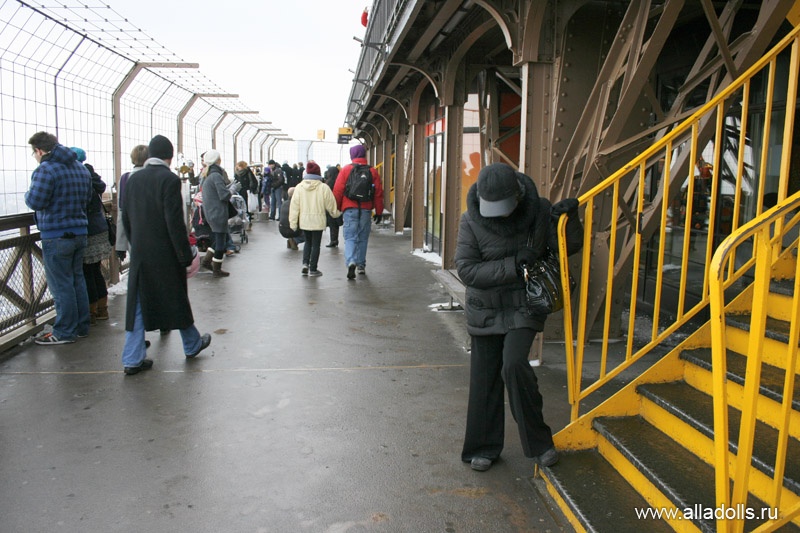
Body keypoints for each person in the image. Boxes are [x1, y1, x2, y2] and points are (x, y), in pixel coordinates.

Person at [454, 162, 583, 472]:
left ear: (517, 195)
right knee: (484, 378)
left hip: (525, 304)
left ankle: (540, 443)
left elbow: (568, 247)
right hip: (485, 308)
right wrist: (513, 265)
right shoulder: (470, 220)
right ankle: (483, 447)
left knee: (514, 365)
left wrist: (570, 218)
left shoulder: (538, 210)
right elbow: (467, 269)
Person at [120, 134, 211, 375]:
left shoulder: (132, 180)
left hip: (140, 253)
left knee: (137, 306)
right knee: (177, 299)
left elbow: (126, 219)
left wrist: (135, 244)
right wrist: (184, 254)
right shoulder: (169, 180)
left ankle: (132, 358)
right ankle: (191, 344)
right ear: (169, 157)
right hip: (165, 253)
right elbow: (174, 222)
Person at [25, 132, 93, 345]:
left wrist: (27, 195)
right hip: (80, 232)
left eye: (33, 153)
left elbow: (35, 200)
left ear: (39, 150)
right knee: (77, 280)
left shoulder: (46, 170)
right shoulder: (80, 168)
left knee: (61, 285)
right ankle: (82, 326)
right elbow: (89, 198)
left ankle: (64, 331)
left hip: (56, 235)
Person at [71, 147, 112, 324]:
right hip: (100, 228)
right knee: (95, 270)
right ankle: (103, 309)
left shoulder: (76, 175)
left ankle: (91, 311)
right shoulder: (91, 174)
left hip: (86, 230)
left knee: (86, 272)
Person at [333, 144, 384, 280]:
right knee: (362, 237)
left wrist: (337, 209)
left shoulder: (345, 170)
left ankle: (351, 261)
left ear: (352, 155)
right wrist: (378, 212)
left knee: (350, 237)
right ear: (364, 155)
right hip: (366, 209)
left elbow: (338, 191)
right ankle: (361, 265)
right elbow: (378, 193)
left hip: (349, 209)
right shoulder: (372, 171)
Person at [289, 161, 341, 277]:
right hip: (318, 221)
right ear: (319, 174)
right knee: (316, 244)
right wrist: (336, 214)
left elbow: (294, 207)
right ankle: (313, 269)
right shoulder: (324, 188)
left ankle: (305, 264)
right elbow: (331, 205)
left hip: (304, 221)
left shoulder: (299, 187)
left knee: (308, 242)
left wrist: (293, 223)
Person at [198, 150, 233, 277]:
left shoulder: (206, 175)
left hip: (211, 212)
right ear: (218, 160)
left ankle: (207, 262)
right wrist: (232, 189)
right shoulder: (216, 175)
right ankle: (216, 269)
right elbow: (223, 195)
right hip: (218, 213)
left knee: (218, 239)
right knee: (220, 243)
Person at [115, 144, 149, 264]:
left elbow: (121, 212)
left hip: (133, 233)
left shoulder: (125, 179)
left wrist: (120, 245)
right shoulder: (155, 177)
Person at [324, 164, 342, 247]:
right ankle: (335, 240)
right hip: (338, 205)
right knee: (336, 223)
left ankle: (333, 240)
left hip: (330, 205)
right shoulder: (339, 181)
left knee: (332, 223)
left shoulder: (329, 182)